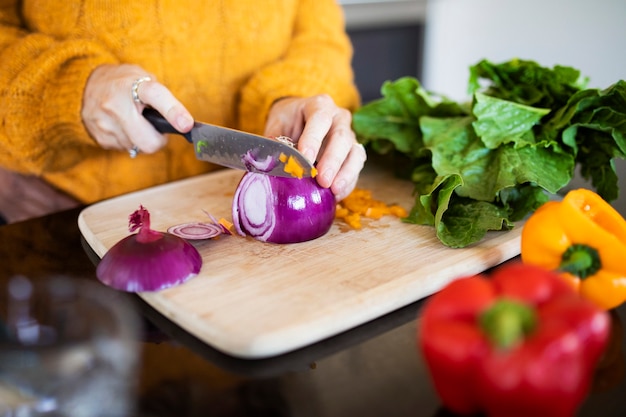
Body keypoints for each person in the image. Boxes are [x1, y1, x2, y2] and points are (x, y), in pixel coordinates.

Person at [0, 0, 367, 224]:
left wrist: (294, 97)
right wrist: (69, 89)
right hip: (64, 213)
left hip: (228, 232)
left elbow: (318, 36)